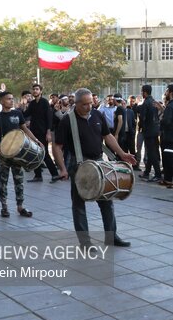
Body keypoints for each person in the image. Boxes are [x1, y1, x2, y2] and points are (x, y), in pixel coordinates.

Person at [53, 88, 136, 248]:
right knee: (79, 205)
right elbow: (57, 146)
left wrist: (122, 154)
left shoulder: (98, 115)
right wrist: (62, 168)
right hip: (78, 166)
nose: (89, 106)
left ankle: (112, 237)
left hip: (99, 163)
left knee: (107, 201)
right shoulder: (67, 120)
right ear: (75, 104)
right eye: (85, 104)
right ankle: (85, 242)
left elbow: (108, 136)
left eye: (91, 102)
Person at [0, 92, 39, 218]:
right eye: (8, 99)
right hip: (4, 153)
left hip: (17, 152)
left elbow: (25, 129)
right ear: (2, 101)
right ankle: (4, 207)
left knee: (19, 180)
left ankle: (20, 207)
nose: (11, 100)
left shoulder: (17, 113)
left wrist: (35, 140)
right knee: (3, 180)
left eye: (12, 98)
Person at [25, 84, 61, 183]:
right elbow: (26, 114)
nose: (35, 91)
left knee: (44, 154)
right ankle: (38, 176)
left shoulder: (45, 102)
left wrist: (48, 132)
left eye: (37, 89)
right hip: (33, 132)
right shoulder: (32, 103)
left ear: (41, 91)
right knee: (34, 153)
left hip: (43, 132)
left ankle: (55, 174)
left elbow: (49, 118)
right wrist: (23, 106)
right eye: (33, 89)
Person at [138, 85, 162, 182]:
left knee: (151, 153)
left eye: (142, 92)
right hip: (155, 131)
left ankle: (158, 174)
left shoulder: (146, 102)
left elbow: (142, 117)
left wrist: (141, 127)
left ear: (144, 92)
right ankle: (147, 173)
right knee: (152, 151)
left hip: (148, 131)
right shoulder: (153, 102)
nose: (141, 94)